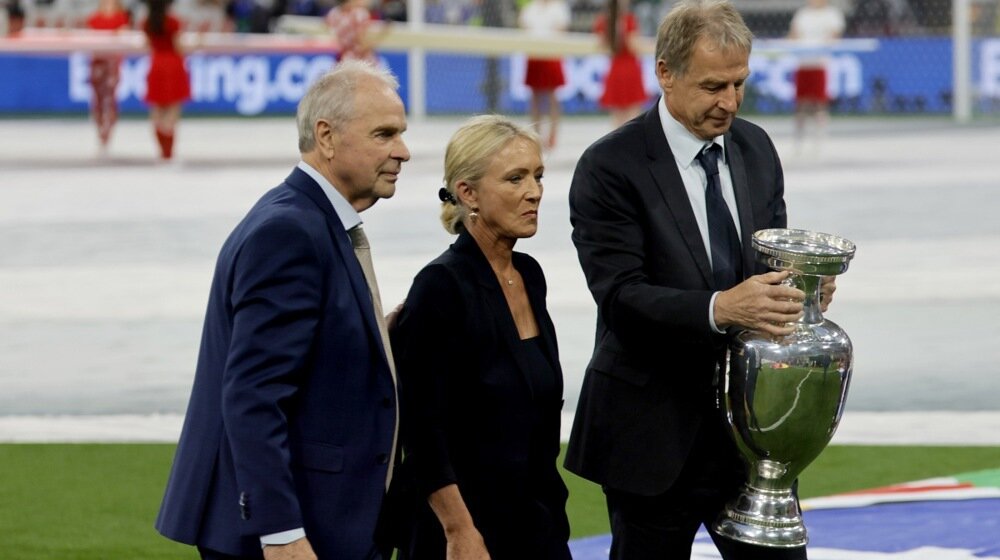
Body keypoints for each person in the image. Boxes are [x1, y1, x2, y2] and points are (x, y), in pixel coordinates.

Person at [564, 0, 837, 558]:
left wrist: (800, 290)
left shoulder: (756, 148)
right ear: (664, 72)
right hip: (653, 436)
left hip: (752, 436)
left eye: (739, 84)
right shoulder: (610, 166)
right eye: (714, 86)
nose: (730, 102)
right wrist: (721, 309)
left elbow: (767, 265)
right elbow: (620, 297)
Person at [155, 60, 410, 560]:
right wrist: (281, 533)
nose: (403, 151)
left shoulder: (309, 220)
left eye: (400, 134)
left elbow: (304, 353)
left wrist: (377, 336)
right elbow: (252, 394)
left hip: (324, 521)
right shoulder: (290, 233)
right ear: (326, 136)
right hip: (294, 534)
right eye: (384, 134)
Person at [386, 115, 571, 559]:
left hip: (535, 528)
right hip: (464, 537)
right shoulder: (440, 287)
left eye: (538, 176)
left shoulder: (529, 274)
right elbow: (423, 430)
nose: (535, 192)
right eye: (515, 178)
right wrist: (459, 530)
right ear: (467, 193)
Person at [788, 0, 845, 155]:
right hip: (803, 63)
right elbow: (793, 34)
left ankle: (819, 142)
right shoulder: (803, 14)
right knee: (801, 105)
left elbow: (835, 35)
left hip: (820, 64)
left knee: (820, 103)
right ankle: (798, 142)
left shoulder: (832, 14)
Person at [518, 0, 571, 150]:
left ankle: (553, 135)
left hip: (551, 54)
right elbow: (524, 28)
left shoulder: (558, 8)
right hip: (534, 55)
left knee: (553, 96)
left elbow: (562, 30)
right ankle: (536, 133)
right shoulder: (531, 8)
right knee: (534, 96)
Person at [142, 0, 191, 161]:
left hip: (156, 63)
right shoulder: (173, 22)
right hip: (173, 64)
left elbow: (147, 45)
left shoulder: (147, 22)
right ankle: (168, 152)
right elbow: (179, 47)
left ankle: (162, 151)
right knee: (172, 109)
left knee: (157, 108)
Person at [593, 0, 648, 127]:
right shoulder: (628, 20)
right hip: (629, 69)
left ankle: (617, 145)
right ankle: (633, 145)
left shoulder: (603, 21)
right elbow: (633, 46)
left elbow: (601, 45)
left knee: (617, 119)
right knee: (633, 117)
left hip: (615, 70)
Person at [85, 0, 131, 154]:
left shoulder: (121, 18)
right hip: (98, 62)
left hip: (112, 62)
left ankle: (108, 130)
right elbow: (89, 38)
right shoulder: (94, 18)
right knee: (97, 97)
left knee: (110, 97)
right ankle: (99, 128)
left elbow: (125, 36)